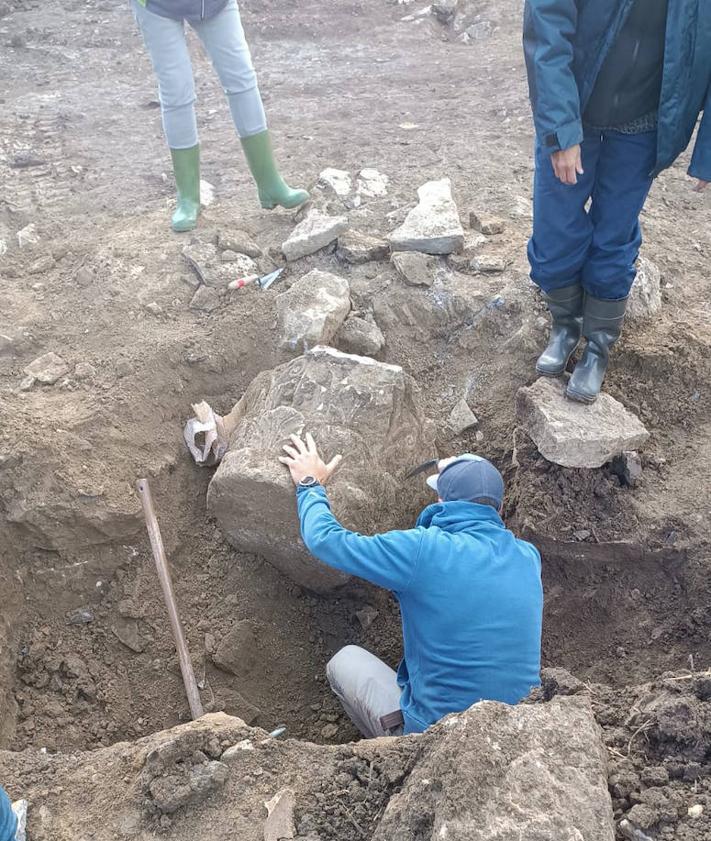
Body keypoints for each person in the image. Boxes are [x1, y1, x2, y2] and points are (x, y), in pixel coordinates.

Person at [279, 434, 543, 737]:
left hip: (436, 743)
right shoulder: (528, 558)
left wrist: (310, 484)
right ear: (498, 509)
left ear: (442, 502)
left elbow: (326, 540)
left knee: (344, 661)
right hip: (516, 738)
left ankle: (387, 758)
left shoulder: (422, 550)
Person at [524, 0, 711, 403]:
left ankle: (598, 346)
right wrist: (561, 131)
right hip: (578, 106)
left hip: (646, 123)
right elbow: (547, 24)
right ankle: (565, 325)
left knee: (615, 232)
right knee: (556, 226)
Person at [132, 0, 309, 232]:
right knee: (176, 90)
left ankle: (270, 183)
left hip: (215, 4)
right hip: (157, 6)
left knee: (241, 77)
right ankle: (188, 198)